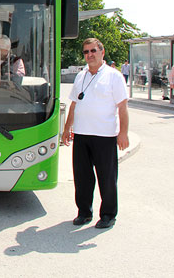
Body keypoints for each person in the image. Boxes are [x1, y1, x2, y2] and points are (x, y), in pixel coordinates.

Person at [62, 38, 129, 229]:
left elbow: (122, 107)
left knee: (106, 177)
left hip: (104, 135)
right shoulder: (80, 76)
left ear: (102, 52)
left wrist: (122, 133)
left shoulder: (114, 76)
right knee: (82, 177)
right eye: (86, 52)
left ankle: (108, 214)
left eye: (93, 51)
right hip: (82, 135)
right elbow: (74, 103)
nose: (89, 55)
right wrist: (67, 128)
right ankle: (84, 212)